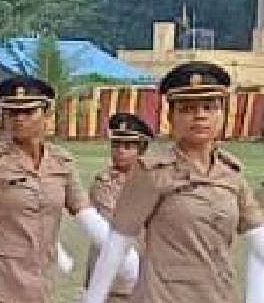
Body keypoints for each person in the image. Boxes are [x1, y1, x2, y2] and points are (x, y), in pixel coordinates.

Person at [0, 77, 132, 303]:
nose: (20, 119)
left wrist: (123, 254)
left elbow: (86, 216)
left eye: (29, 112)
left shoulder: (61, 163)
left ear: (47, 113)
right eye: (13, 113)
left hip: (40, 282)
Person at [84, 62, 264, 303]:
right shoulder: (152, 173)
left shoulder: (231, 173)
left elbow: (258, 238)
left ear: (223, 114)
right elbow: (117, 245)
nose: (199, 115)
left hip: (218, 295)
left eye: (209, 107)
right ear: (171, 116)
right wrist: (93, 298)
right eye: (188, 109)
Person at [83, 112, 152, 303]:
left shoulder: (154, 182)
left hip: (143, 276)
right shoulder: (103, 182)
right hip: (109, 279)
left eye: (128, 146)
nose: (120, 151)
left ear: (142, 149)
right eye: (116, 145)